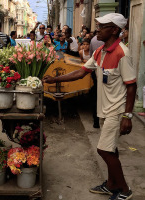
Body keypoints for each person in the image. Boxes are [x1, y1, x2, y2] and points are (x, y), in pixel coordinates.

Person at [43, 13, 136, 200]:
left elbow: (131, 85)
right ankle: (111, 184)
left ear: (115, 30)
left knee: (103, 149)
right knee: (111, 149)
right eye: (98, 26)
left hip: (116, 110)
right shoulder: (100, 51)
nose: (97, 30)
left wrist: (127, 116)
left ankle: (125, 190)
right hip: (104, 109)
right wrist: (55, 79)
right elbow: (81, 72)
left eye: (102, 27)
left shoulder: (122, 54)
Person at [89, 31, 105, 128]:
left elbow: (91, 56)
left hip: (95, 71)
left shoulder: (93, 40)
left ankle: (96, 121)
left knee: (96, 96)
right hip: (102, 72)